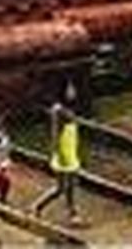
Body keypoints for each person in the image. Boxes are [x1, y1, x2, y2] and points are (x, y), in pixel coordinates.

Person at [32, 81, 83, 226]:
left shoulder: (69, 109)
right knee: (62, 187)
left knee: (69, 185)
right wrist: (55, 152)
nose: (72, 91)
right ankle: (39, 206)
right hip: (64, 150)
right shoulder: (58, 110)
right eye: (69, 88)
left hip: (70, 147)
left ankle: (71, 213)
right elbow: (55, 132)